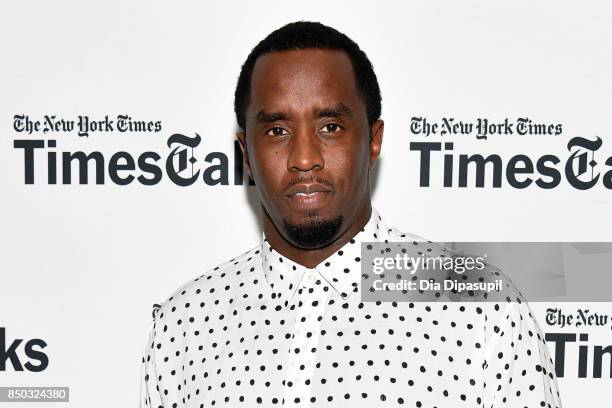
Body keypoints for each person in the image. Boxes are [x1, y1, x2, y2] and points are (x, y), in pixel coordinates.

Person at [140, 21, 562, 408]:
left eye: (330, 127)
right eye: (277, 131)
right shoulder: (184, 323)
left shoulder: (480, 305)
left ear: (373, 141)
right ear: (246, 154)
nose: (304, 159)